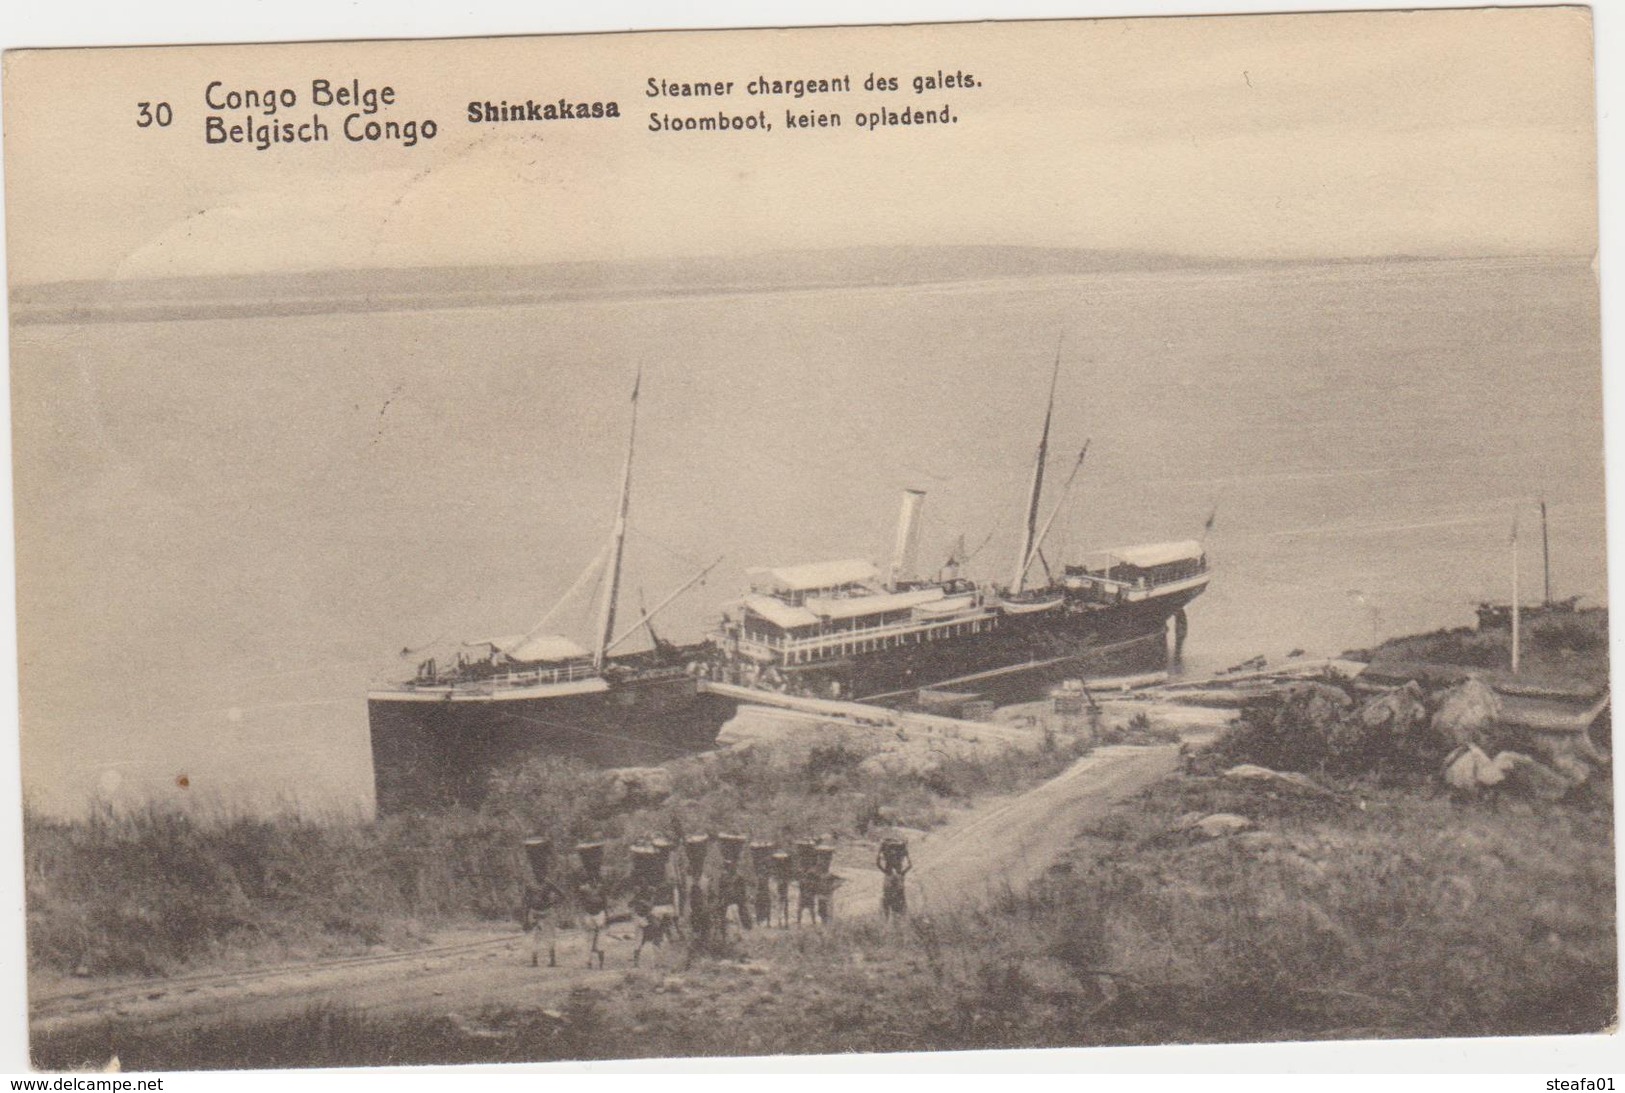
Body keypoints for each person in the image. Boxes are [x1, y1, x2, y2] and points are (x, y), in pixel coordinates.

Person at [574, 841, 609, 969]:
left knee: (597, 939)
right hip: (591, 912)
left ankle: (597, 963)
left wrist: (606, 913)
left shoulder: (597, 883)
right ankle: (591, 962)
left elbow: (604, 898)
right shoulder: (585, 884)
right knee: (591, 939)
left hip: (597, 912)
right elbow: (581, 898)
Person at [877, 837, 911, 921]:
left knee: (887, 895)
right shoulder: (901, 853)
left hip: (888, 874)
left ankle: (886, 918)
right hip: (899, 874)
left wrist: (885, 871)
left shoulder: (887, 853)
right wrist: (902, 873)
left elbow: (878, 863)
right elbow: (910, 865)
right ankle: (900, 916)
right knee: (900, 895)